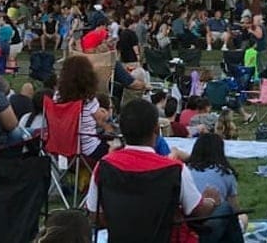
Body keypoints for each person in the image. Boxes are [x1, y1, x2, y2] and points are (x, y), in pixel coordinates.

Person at [85, 99, 224, 239]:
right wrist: (211, 201)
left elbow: (94, 215)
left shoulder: (103, 166)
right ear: (157, 129)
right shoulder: (175, 169)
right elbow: (196, 212)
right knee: (226, 211)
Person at [186, 133, 243, 243]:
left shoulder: (185, 170)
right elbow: (234, 208)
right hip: (206, 229)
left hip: (187, 226)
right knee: (238, 216)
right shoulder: (225, 173)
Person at [55, 55, 110, 160]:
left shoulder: (57, 97)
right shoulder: (89, 100)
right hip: (88, 151)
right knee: (116, 145)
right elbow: (101, 120)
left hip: (63, 149)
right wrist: (106, 112)